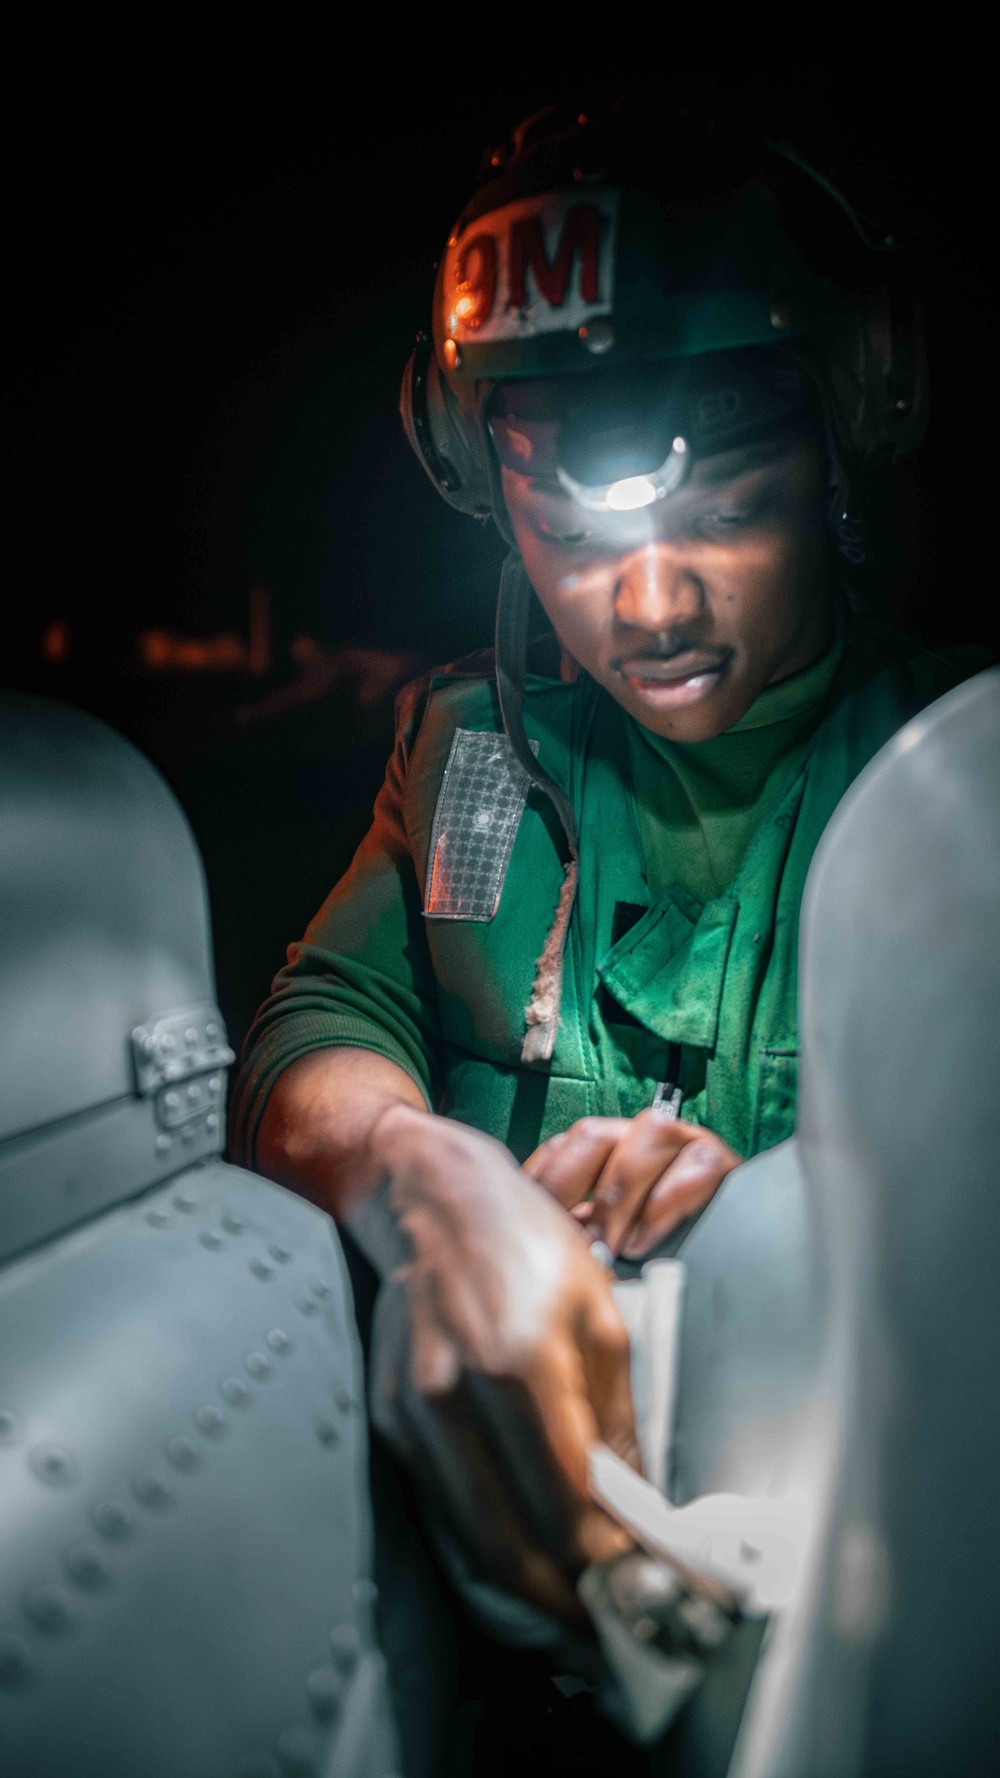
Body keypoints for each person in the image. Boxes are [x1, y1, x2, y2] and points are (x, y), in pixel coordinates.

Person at [230, 99, 969, 1639]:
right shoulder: (472, 753)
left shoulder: (956, 781)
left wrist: (798, 1215)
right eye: (563, 528)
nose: (642, 605)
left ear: (845, 444)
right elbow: (315, 1030)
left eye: (724, 510)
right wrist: (421, 1176)